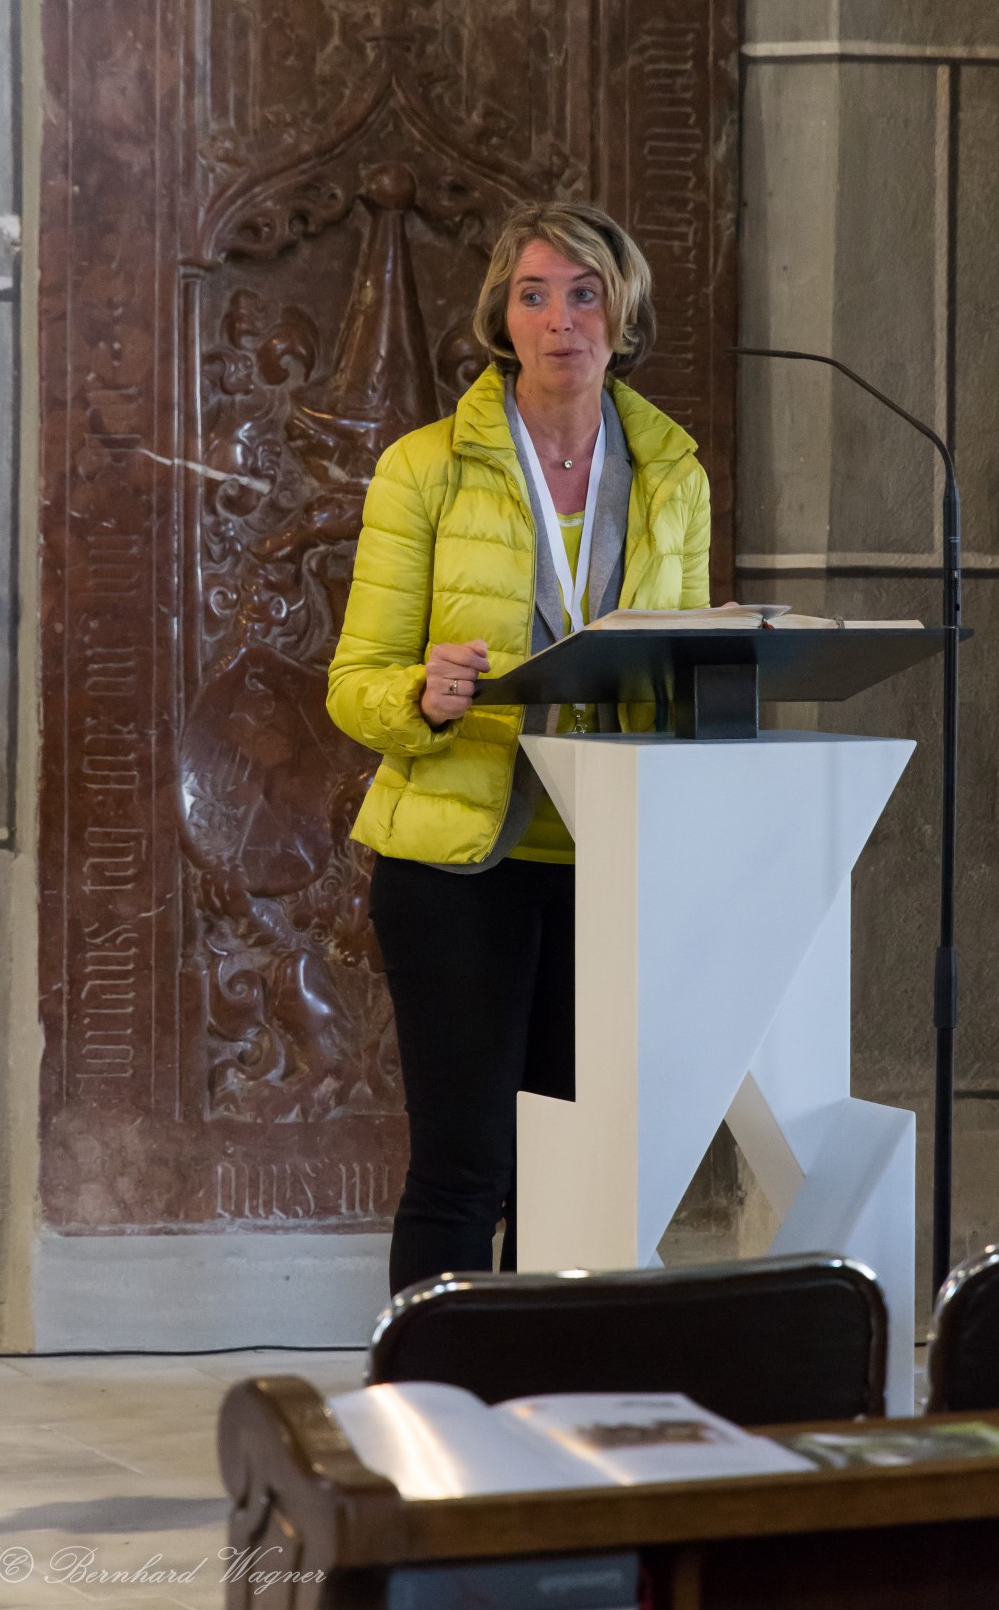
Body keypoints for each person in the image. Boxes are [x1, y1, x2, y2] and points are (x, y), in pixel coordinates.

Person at [327, 202, 711, 1295]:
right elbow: (353, 683)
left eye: (585, 294)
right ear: (503, 315)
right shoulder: (425, 468)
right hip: (459, 865)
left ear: (623, 312)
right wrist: (421, 693)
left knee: (571, 1180)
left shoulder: (673, 474)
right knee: (465, 1169)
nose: (560, 320)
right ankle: (431, 1391)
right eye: (534, 295)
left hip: (609, 862)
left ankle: (546, 1394)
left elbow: (684, 672)